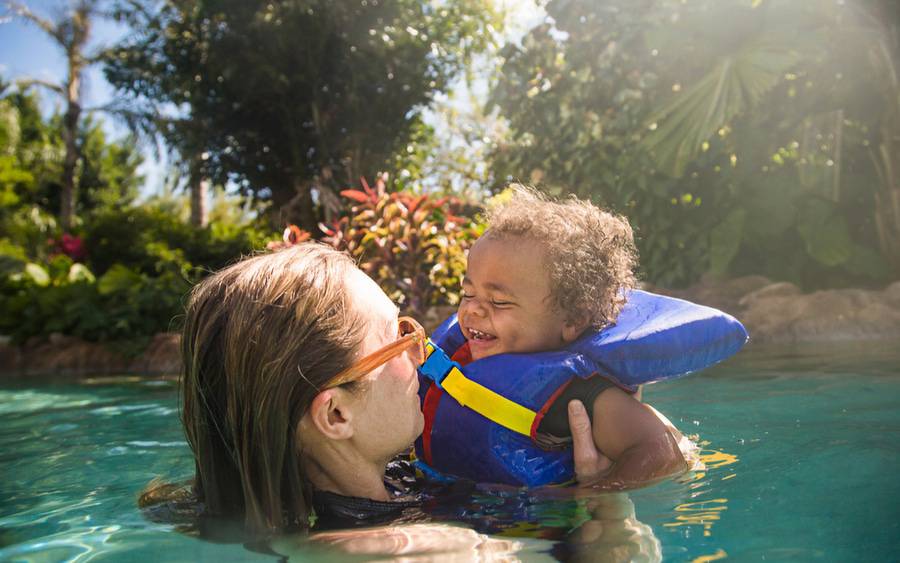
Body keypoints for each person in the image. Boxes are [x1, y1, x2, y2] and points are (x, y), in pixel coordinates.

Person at [142, 242, 607, 536]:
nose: (422, 352)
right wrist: (605, 502)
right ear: (336, 416)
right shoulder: (408, 551)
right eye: (399, 337)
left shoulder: (388, 479)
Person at [420, 185, 687, 489]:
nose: (473, 311)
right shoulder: (457, 355)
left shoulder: (575, 392)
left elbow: (660, 452)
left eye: (499, 302)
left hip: (543, 526)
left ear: (573, 320)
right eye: (467, 293)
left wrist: (596, 493)